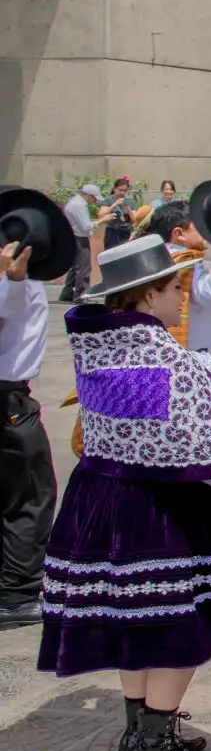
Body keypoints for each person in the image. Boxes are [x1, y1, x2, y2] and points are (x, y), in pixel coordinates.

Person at [39, 234, 211, 751]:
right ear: (148, 296)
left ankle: (142, 735)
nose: (181, 297)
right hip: (159, 508)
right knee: (181, 623)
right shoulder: (177, 366)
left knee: (135, 620)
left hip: (101, 496)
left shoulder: (95, 349)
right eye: (174, 287)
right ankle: (153, 742)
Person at [0, 188, 75, 629]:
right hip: (9, 400)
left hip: (11, 396)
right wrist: (11, 281)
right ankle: (16, 594)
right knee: (31, 495)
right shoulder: (19, 288)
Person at [140, 194, 211, 360]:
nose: (206, 230)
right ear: (179, 234)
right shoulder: (181, 261)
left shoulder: (158, 258)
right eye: (199, 226)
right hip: (192, 358)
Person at [59, 183, 100, 302]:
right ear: (87, 195)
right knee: (84, 268)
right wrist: (102, 220)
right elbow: (86, 227)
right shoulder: (79, 205)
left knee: (75, 267)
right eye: (94, 197)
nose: (95, 200)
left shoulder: (74, 202)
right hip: (79, 238)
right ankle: (81, 295)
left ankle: (67, 293)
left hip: (73, 237)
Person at [102, 178, 137, 250]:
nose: (122, 193)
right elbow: (101, 215)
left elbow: (134, 220)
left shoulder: (130, 201)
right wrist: (114, 205)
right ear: (114, 189)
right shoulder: (108, 200)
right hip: (112, 233)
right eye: (120, 190)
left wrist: (129, 210)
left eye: (125, 191)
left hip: (126, 232)